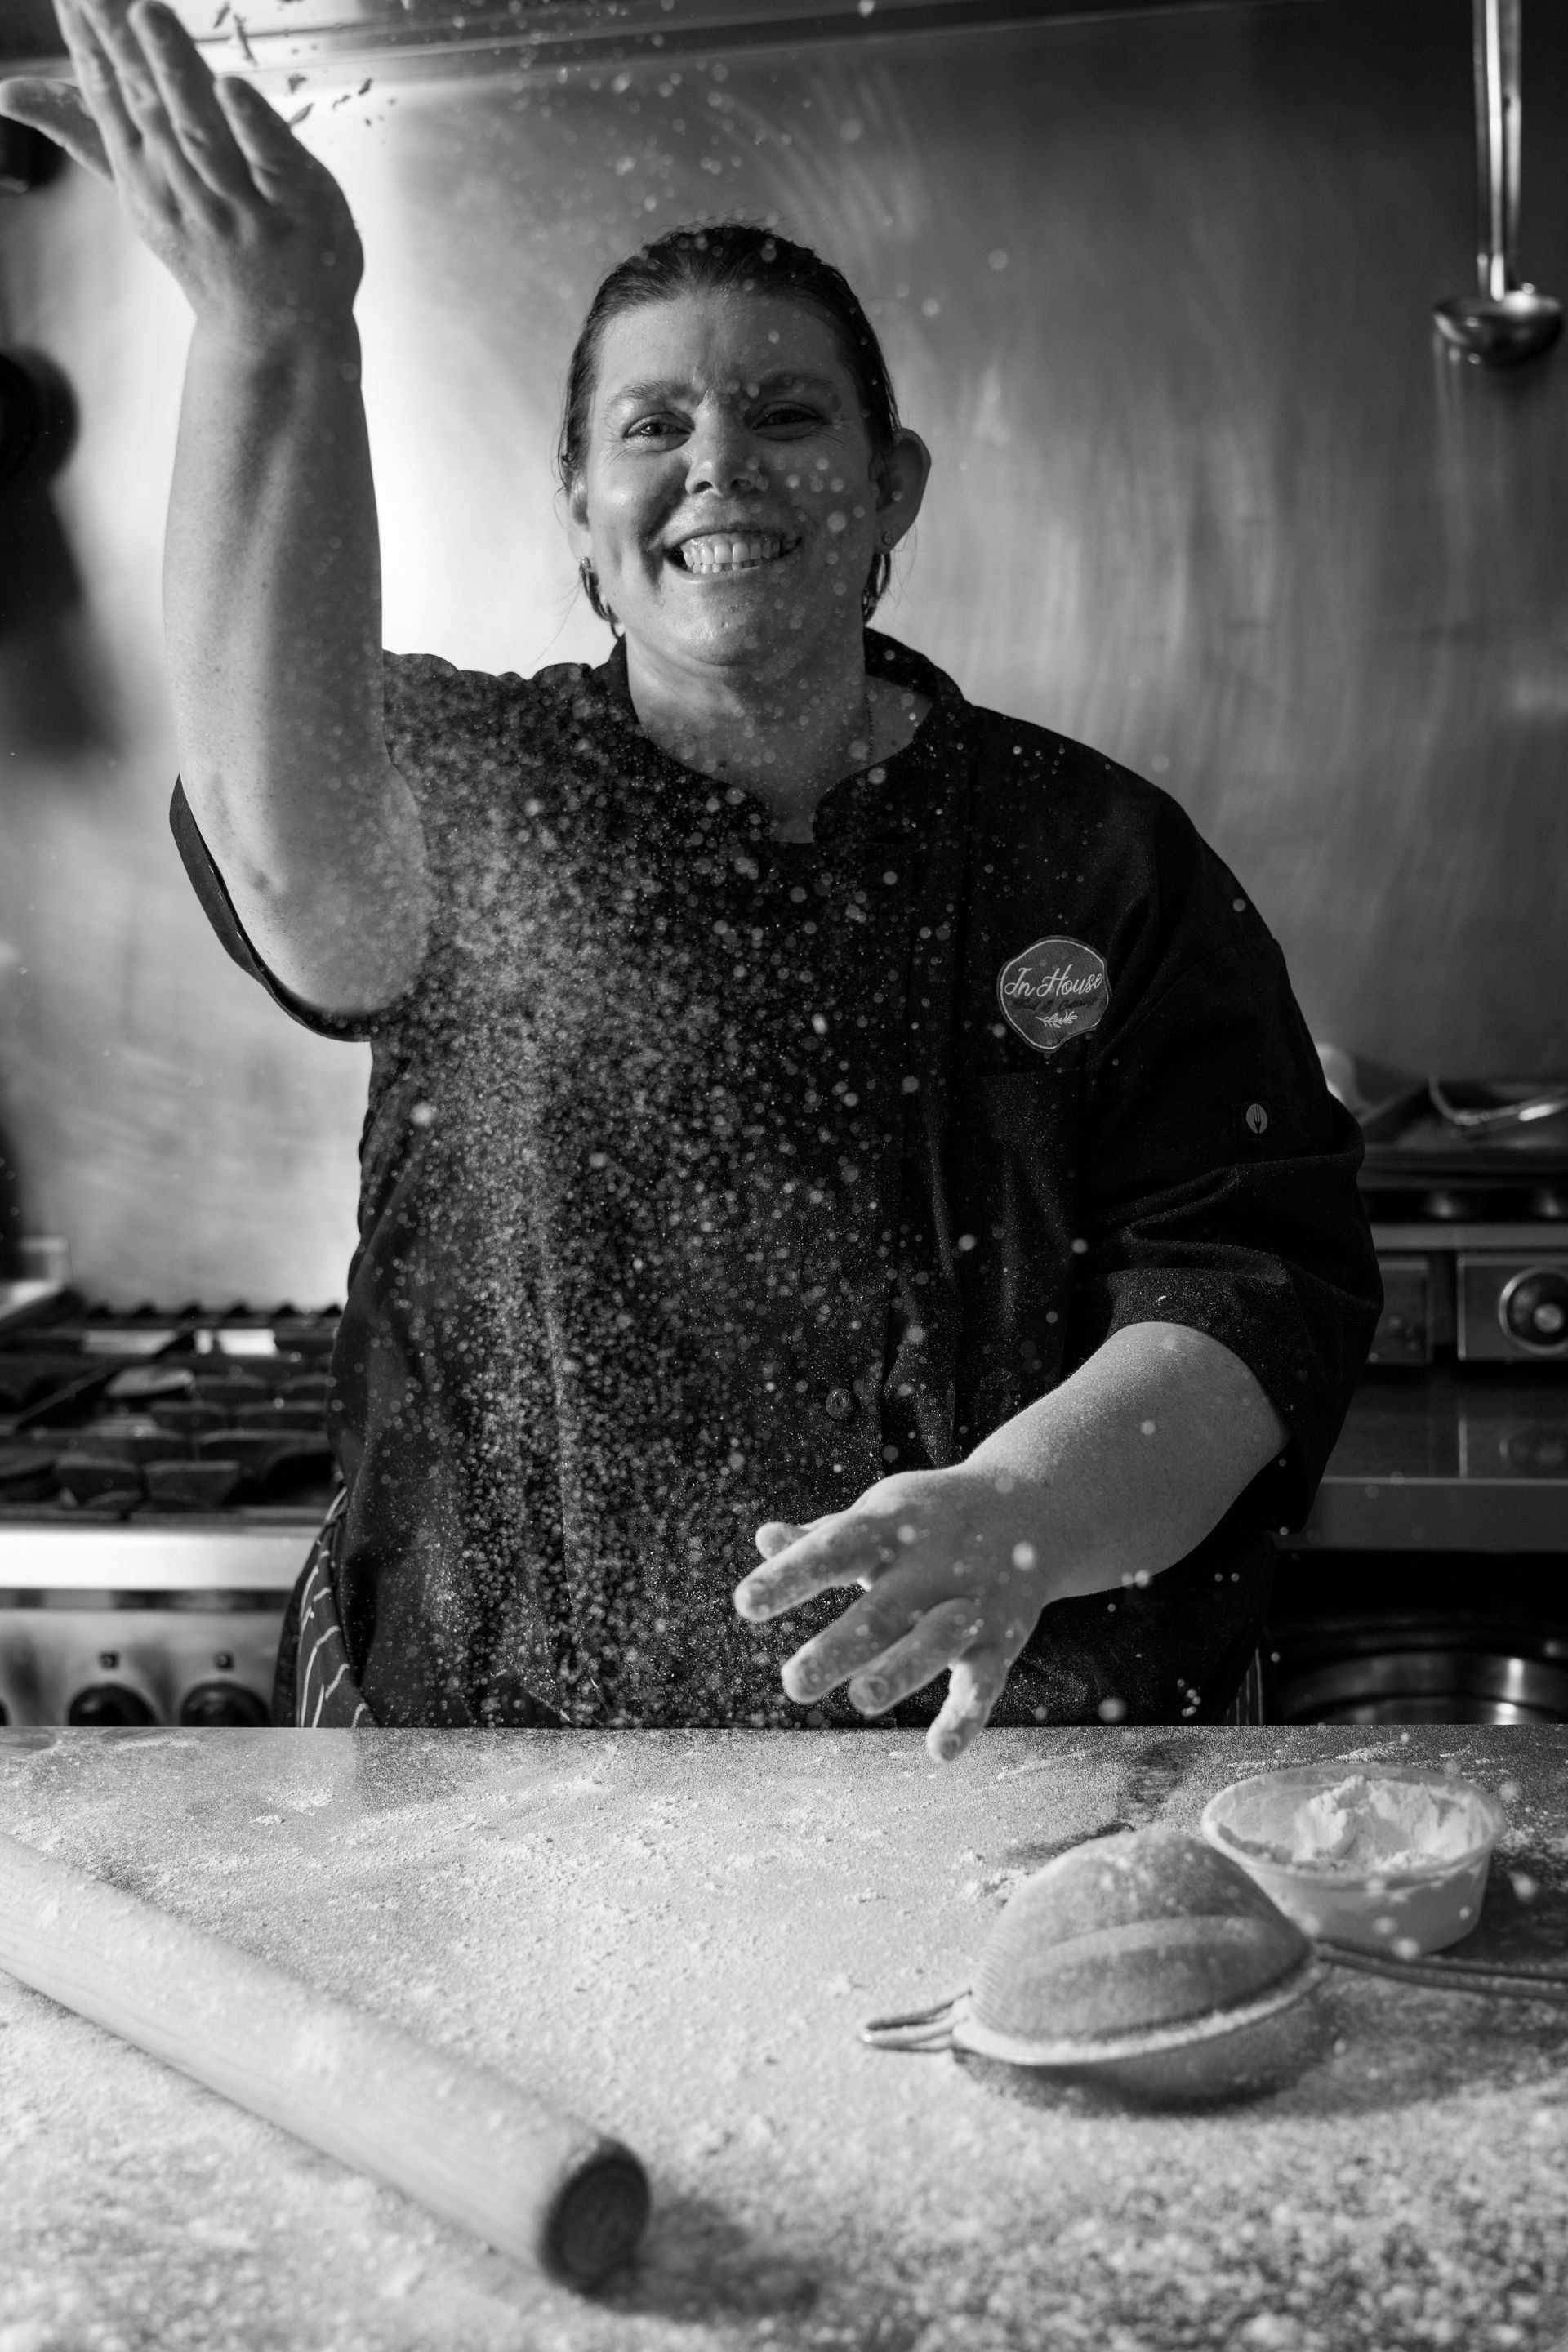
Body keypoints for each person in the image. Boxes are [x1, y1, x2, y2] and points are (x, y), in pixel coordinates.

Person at [0, 0, 1381, 1756]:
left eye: (786, 412)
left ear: (893, 491)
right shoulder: (478, 789)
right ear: (578, 516)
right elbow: (294, 875)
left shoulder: (1091, 854)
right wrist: (277, 334)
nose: (719, 457)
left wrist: (1014, 1511)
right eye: (652, 427)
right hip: (489, 1765)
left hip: (994, 1773)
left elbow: (1250, 1277)